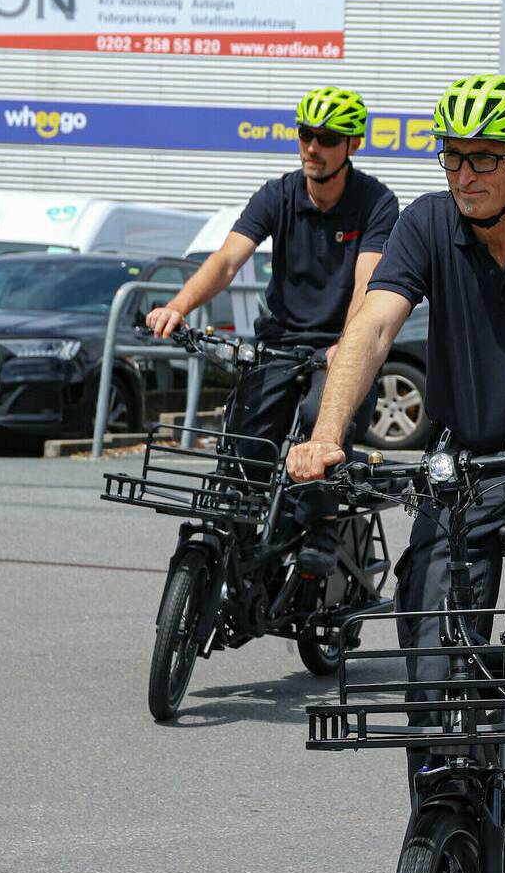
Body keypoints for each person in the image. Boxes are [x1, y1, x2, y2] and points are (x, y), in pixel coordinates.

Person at [285, 73, 505, 820]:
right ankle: (442, 810)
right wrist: (324, 434)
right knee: (430, 636)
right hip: (467, 468)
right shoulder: (425, 223)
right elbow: (373, 327)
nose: (466, 175)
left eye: (485, 159)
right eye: (453, 158)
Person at [148, 87, 399, 573]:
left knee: (318, 417)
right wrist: (178, 306)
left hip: (340, 347)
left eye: (327, 138)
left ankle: (322, 528)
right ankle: (237, 547)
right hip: (279, 343)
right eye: (306, 134)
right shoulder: (277, 194)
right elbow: (224, 262)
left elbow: (367, 283)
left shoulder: (376, 202)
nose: (312, 147)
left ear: (353, 145)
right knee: (245, 437)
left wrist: (347, 344)